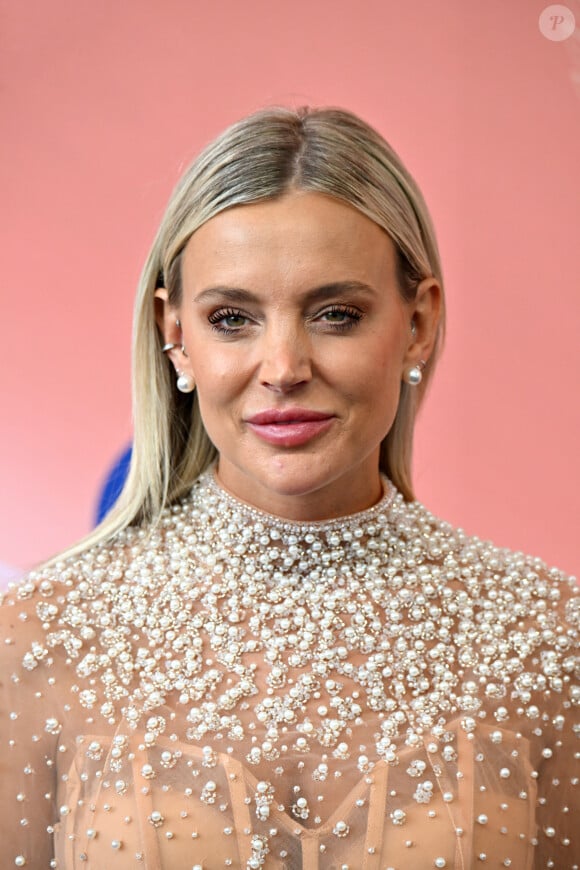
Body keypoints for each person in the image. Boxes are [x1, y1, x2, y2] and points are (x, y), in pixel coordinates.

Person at [0, 106, 577, 870]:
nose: (283, 367)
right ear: (176, 334)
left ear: (418, 323)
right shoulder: (34, 638)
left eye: (336, 314)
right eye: (233, 317)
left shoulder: (549, 639)